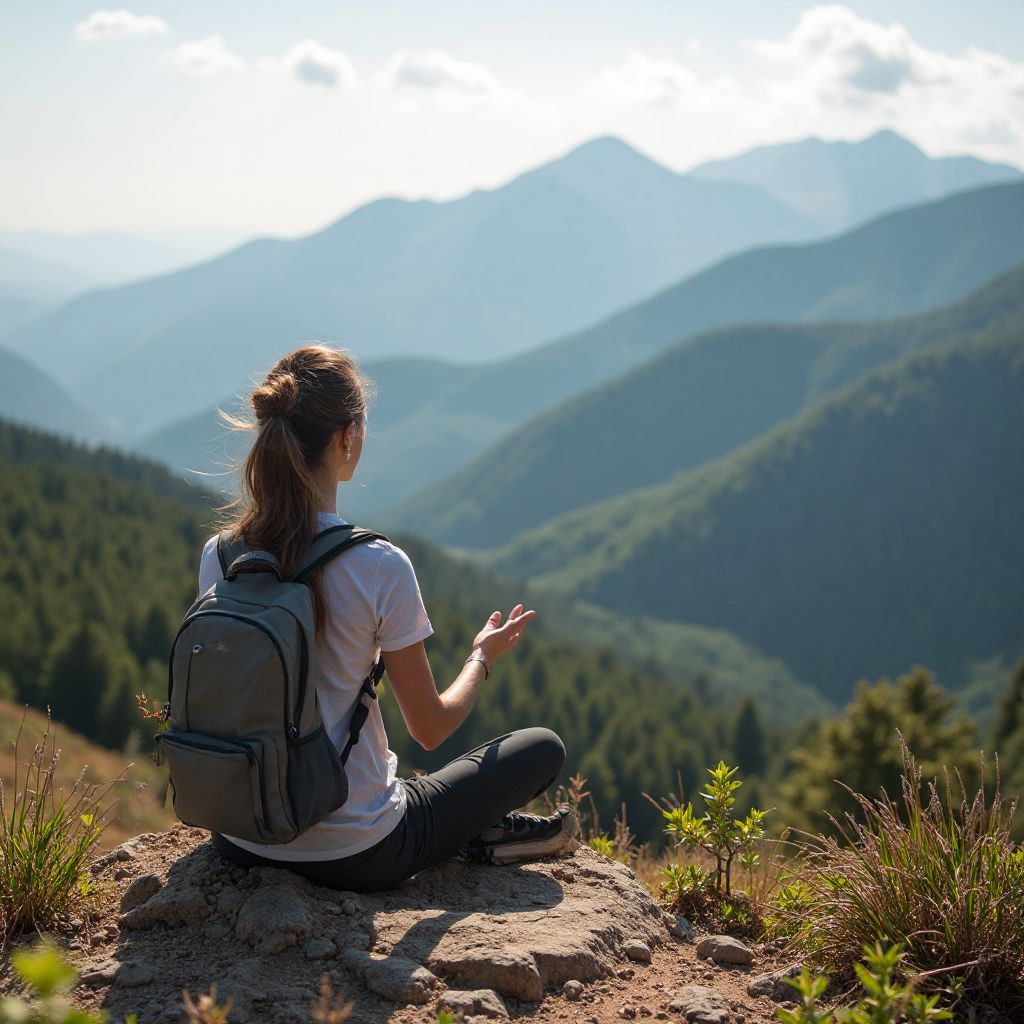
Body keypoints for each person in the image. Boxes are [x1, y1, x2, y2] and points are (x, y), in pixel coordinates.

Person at [204, 344, 576, 892]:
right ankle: (484, 833)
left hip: (239, 836)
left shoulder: (221, 554)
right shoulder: (377, 566)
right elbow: (430, 728)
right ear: (346, 438)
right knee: (543, 748)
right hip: (357, 853)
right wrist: (481, 657)